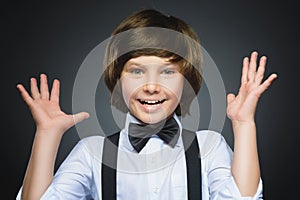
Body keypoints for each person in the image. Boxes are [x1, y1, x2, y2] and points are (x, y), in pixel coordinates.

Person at [16, 9, 277, 200]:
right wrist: (47, 136)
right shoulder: (90, 152)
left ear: (186, 82)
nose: (151, 86)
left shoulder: (209, 147)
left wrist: (244, 125)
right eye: (137, 71)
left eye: (167, 72)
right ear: (117, 79)